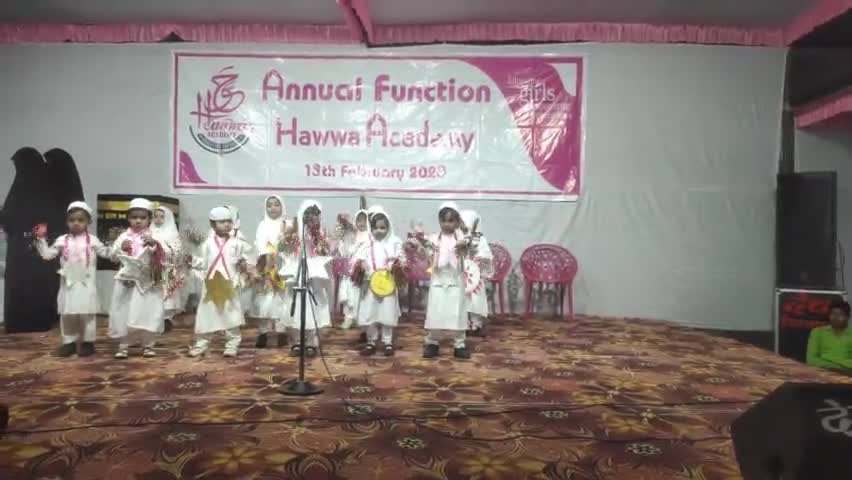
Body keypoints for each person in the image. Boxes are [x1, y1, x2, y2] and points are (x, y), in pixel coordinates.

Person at [34, 201, 111, 357]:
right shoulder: (62, 240)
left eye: (80, 220)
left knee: (87, 314)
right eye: (72, 220)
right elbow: (47, 255)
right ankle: (68, 343)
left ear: (88, 222)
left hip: (86, 284)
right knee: (67, 313)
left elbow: (107, 253)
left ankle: (88, 343)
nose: (76, 223)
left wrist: (121, 248)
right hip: (68, 285)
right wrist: (41, 240)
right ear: (67, 222)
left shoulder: (93, 240)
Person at [0, 147, 59, 333]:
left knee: (25, 283)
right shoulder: (45, 190)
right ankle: (37, 320)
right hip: (33, 246)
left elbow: (8, 217)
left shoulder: (21, 190)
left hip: (24, 247)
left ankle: (19, 321)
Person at [189, 206, 250, 357]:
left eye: (229, 221)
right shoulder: (207, 243)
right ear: (212, 224)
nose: (227, 224)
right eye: (222, 222)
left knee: (231, 314)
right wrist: (191, 261)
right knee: (206, 314)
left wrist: (243, 264)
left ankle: (232, 344)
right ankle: (201, 344)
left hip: (230, 282)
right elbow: (201, 262)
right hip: (211, 283)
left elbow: (246, 260)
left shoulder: (237, 243)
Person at [108, 198, 165, 359]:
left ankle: (148, 345)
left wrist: (155, 245)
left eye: (142, 217)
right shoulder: (123, 236)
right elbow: (112, 257)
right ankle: (124, 345)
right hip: (127, 282)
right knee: (124, 311)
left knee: (148, 311)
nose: (138, 221)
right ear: (128, 218)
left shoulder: (155, 235)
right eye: (134, 217)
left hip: (148, 282)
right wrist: (121, 248)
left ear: (149, 219)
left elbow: (165, 255)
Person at [416, 202, 471, 359]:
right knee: (436, 311)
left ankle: (459, 344)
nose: (447, 224)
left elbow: (469, 251)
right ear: (439, 221)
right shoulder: (433, 238)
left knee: (457, 312)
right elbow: (424, 255)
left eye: (451, 220)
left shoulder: (462, 238)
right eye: (444, 220)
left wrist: (465, 244)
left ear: (457, 221)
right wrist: (420, 247)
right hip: (438, 279)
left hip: (455, 278)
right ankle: (432, 342)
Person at [281, 200, 332, 358]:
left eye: (315, 215)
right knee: (295, 305)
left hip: (314, 270)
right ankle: (296, 341)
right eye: (308, 214)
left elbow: (324, 251)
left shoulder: (321, 231)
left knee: (313, 305)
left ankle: (312, 342)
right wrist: (290, 237)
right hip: (296, 269)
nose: (311, 218)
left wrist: (317, 236)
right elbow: (282, 248)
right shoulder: (293, 230)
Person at [353, 206, 404, 356]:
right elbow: (357, 259)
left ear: (388, 227)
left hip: (388, 284)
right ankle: (371, 342)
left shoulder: (395, 243)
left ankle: (387, 342)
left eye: (382, 228)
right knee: (370, 313)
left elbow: (401, 259)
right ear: (371, 228)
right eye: (375, 228)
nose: (379, 231)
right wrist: (361, 264)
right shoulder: (367, 244)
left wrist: (396, 265)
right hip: (370, 284)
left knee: (387, 313)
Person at [252, 195, 289, 348]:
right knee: (265, 299)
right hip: (266, 265)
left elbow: (290, 244)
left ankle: (282, 332)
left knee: (282, 298)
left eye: (276, 205)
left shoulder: (287, 224)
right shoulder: (263, 225)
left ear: (282, 206)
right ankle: (263, 333)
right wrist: (269, 258)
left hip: (283, 265)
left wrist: (281, 253)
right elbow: (260, 244)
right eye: (270, 205)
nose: (273, 208)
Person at [460, 209, 493, 337]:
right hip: (461, 275)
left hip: (475, 276)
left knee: (476, 300)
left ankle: (476, 324)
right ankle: (464, 323)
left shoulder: (480, 239)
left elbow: (486, 255)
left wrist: (478, 259)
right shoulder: (457, 237)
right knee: (462, 300)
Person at [152, 205, 184, 331]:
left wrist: (161, 249)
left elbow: (177, 251)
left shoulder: (172, 233)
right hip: (152, 268)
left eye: (162, 217)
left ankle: (166, 319)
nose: (158, 219)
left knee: (167, 293)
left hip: (167, 268)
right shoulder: (149, 231)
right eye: (155, 216)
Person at [337, 209, 370, 330]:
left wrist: (362, 262)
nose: (361, 223)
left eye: (364, 220)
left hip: (362, 271)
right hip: (349, 269)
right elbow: (345, 251)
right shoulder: (352, 234)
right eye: (359, 220)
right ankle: (348, 318)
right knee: (348, 294)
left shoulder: (370, 236)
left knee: (359, 295)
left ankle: (358, 319)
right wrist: (343, 238)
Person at [806, 300, 852, 371]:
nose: (835, 317)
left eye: (840, 314)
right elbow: (811, 360)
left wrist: (829, 363)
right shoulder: (817, 332)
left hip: (848, 373)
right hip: (822, 372)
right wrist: (837, 367)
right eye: (833, 314)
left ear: (847, 317)